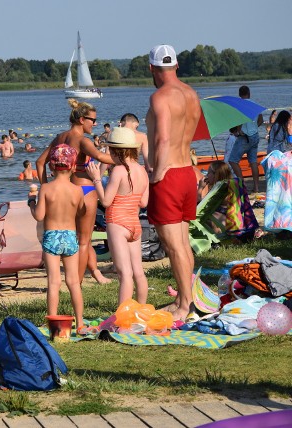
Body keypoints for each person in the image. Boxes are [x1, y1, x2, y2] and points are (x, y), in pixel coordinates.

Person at [145, 44, 201, 322]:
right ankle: (185, 296)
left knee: (173, 244)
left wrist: (156, 175)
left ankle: (185, 306)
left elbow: (162, 139)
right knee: (182, 241)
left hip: (169, 174)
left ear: (152, 69)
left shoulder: (160, 97)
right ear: (176, 66)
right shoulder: (191, 94)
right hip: (187, 172)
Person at [35, 100, 114, 286]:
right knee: (85, 241)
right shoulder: (82, 140)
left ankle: (84, 276)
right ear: (81, 119)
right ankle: (76, 284)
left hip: (66, 191)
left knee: (73, 237)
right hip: (85, 190)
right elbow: (102, 157)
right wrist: (128, 159)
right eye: (92, 120)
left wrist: (46, 186)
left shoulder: (60, 137)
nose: (94, 124)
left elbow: (39, 163)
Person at [86, 128, 149, 305]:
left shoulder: (119, 171)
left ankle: (123, 317)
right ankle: (141, 310)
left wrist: (96, 178)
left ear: (116, 151)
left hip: (118, 222)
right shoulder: (142, 170)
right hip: (134, 224)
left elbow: (106, 201)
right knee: (138, 271)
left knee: (124, 273)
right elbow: (143, 202)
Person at [29, 145, 85, 333]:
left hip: (52, 236)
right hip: (69, 236)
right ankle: (81, 323)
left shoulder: (45, 188)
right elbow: (82, 212)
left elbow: (39, 216)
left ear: (51, 167)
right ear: (73, 167)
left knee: (54, 281)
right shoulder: (77, 191)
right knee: (73, 281)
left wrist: (31, 202)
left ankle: (52, 323)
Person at [228, 86, 263, 193]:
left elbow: (241, 120)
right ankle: (256, 187)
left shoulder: (240, 105)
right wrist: (254, 128)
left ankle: (242, 185)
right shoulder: (255, 105)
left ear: (239, 95)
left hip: (245, 137)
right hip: (255, 136)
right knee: (253, 162)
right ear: (249, 93)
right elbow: (261, 120)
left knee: (233, 160)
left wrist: (238, 131)